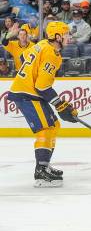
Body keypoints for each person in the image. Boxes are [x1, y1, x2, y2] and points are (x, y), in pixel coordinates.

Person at [6, 22, 77, 187]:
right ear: (57, 37)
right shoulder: (52, 54)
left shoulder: (41, 44)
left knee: (54, 124)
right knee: (45, 128)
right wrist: (60, 105)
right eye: (66, 34)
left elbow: (23, 57)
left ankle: (45, 164)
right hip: (28, 93)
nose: (69, 37)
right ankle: (41, 170)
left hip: (28, 90)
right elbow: (42, 86)